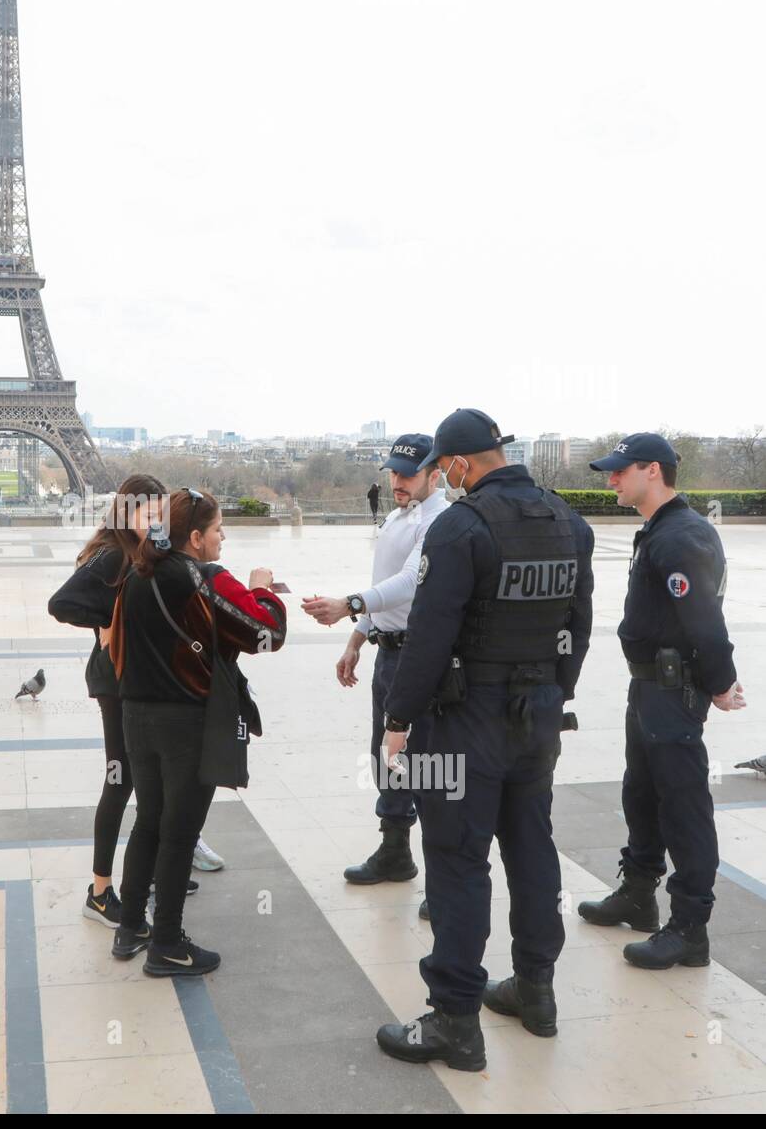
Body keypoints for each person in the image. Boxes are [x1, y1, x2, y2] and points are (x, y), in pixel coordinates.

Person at [373, 408, 594, 1070]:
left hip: (463, 719)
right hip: (538, 714)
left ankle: (455, 1022)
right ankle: (535, 990)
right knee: (532, 848)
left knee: (455, 861)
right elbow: (578, 628)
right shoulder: (568, 522)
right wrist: (555, 692)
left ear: (462, 464)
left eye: (445, 467)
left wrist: (396, 720)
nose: (445, 477)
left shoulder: (461, 526)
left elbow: (430, 635)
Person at [578, 433, 746, 968]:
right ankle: (639, 893)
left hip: (674, 690)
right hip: (651, 684)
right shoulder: (661, 530)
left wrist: (720, 683)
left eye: (619, 471)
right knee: (642, 791)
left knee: (683, 803)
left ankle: (690, 928)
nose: (611, 480)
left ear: (653, 470)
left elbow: (704, 620)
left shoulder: (682, 536)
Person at [107, 489, 286, 974]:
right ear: (194, 537)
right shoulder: (204, 578)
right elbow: (267, 632)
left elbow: (117, 648)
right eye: (217, 529)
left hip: (136, 716)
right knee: (180, 833)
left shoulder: (136, 576)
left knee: (149, 821)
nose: (223, 536)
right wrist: (261, 589)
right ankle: (167, 942)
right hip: (186, 721)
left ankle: (131, 927)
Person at [301, 434, 447, 906]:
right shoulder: (397, 518)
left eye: (408, 474)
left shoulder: (440, 520)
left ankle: (444, 880)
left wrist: (348, 605)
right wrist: (357, 637)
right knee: (387, 759)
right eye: (393, 472)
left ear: (436, 472)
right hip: (389, 653)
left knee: (424, 763)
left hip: (419, 656)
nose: (397, 481)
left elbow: (408, 584)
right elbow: (383, 586)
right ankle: (395, 850)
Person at [47, 474, 167, 928]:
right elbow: (61, 603)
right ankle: (99, 893)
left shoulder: (129, 548)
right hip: (114, 682)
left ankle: (148, 871)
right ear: (125, 512)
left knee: (138, 778)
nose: (156, 523)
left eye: (161, 515)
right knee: (120, 781)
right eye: (147, 514)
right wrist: (110, 621)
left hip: (127, 677)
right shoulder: (114, 553)